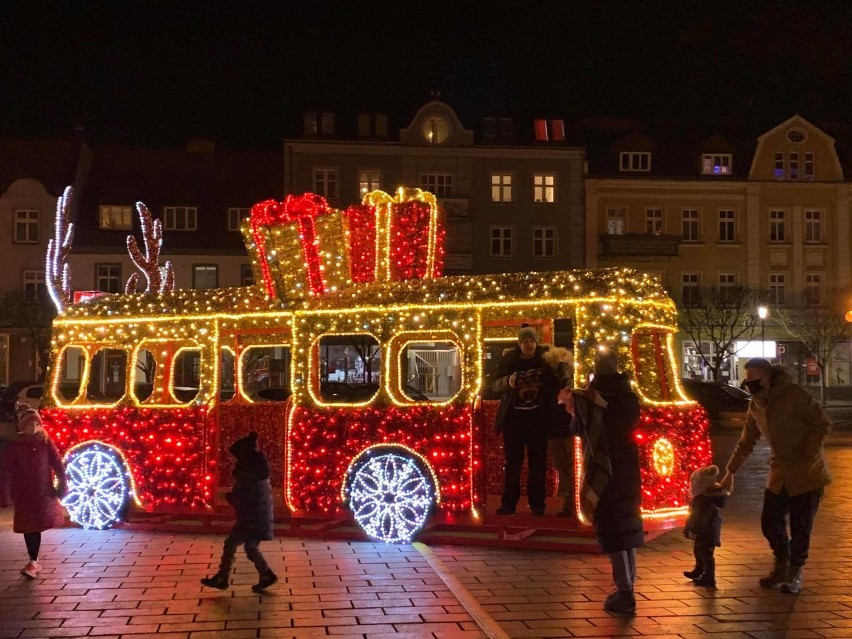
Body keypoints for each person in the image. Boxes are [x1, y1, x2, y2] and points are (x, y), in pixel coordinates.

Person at [720, 357, 831, 595]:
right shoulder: (756, 404)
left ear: (769, 376)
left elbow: (822, 423)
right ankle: (782, 563)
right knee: (770, 522)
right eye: (748, 382)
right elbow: (746, 440)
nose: (752, 387)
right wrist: (730, 471)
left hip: (807, 473)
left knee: (801, 526)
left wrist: (807, 451)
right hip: (779, 473)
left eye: (756, 381)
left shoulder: (794, 395)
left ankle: (795, 571)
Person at [568, 348, 643, 614]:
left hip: (602, 468)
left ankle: (624, 592)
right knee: (627, 527)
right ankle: (629, 585)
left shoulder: (588, 398)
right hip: (628, 468)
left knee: (611, 531)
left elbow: (576, 429)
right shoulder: (629, 397)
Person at [493, 325, 559, 516]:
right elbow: (494, 385)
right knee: (513, 464)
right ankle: (509, 504)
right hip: (514, 421)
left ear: (535, 342)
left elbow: (558, 381)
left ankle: (537, 504)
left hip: (538, 420)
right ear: (519, 344)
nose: (528, 344)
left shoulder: (545, 360)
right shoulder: (509, 361)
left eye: (531, 341)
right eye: (524, 341)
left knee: (537, 464)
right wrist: (508, 382)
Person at [201, 431, 278, 592]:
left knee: (230, 544)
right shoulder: (259, 472)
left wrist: (228, 496)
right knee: (250, 547)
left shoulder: (249, 476)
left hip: (250, 519)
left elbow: (245, 497)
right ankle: (266, 574)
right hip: (260, 517)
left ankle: (223, 577)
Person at [0, 403, 67, 579]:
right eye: (30, 424)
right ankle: (33, 561)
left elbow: (57, 464)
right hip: (23, 494)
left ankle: (33, 561)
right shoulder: (15, 446)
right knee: (30, 528)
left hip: (43, 493)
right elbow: (5, 471)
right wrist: (5, 495)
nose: (34, 427)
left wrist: (62, 486)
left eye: (36, 423)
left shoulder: (45, 442)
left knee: (34, 526)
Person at [683, 465, 730, 588]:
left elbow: (699, 518)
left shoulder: (703, 501)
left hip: (706, 532)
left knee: (706, 553)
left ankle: (709, 576)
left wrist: (693, 530)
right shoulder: (702, 499)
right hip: (706, 532)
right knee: (698, 551)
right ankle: (699, 569)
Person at [544, 346, 575, 517]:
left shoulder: (565, 379)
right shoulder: (550, 379)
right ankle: (570, 500)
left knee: (567, 466)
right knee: (563, 465)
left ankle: (571, 501)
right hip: (559, 426)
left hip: (563, 426)